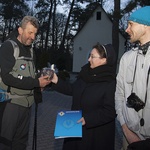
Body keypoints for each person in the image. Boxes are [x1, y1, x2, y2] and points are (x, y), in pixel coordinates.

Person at [51, 43, 117, 150]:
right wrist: (56, 80)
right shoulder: (85, 73)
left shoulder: (110, 82)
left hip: (95, 135)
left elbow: (110, 111)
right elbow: (73, 89)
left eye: (92, 57)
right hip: (75, 127)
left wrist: (88, 119)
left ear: (104, 60)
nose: (89, 59)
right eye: (89, 56)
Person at [0, 16, 51, 150]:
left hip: (27, 105)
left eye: (35, 33)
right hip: (11, 105)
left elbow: (31, 75)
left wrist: (41, 81)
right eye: (30, 32)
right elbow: (7, 78)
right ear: (20, 30)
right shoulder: (8, 47)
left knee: (21, 143)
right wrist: (35, 82)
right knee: (5, 143)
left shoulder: (31, 50)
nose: (33, 37)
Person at [115, 6, 150, 150]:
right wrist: (125, 129)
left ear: (146, 25)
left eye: (131, 24)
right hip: (129, 137)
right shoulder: (126, 58)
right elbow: (119, 95)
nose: (127, 29)